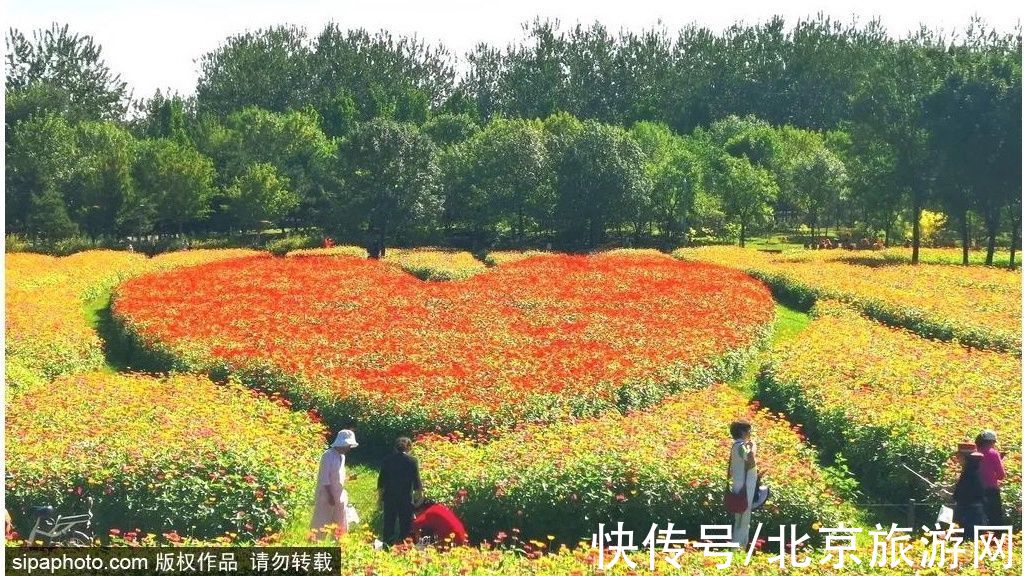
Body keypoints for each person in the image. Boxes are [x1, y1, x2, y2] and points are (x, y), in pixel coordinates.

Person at [311, 429, 358, 540]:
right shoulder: (327, 456)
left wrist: (348, 478)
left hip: (339, 494)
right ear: (343, 443)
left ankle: (338, 543)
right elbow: (324, 478)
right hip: (326, 495)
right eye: (348, 445)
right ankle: (315, 542)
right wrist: (330, 497)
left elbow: (336, 476)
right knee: (322, 521)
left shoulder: (342, 457)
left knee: (340, 521)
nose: (349, 448)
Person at [378, 437, 423, 545]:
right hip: (405, 497)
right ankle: (403, 545)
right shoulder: (412, 461)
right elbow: (417, 481)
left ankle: (387, 545)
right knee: (405, 524)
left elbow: (381, 481)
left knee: (389, 523)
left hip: (390, 496)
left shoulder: (387, 460)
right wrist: (420, 497)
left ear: (395, 448)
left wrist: (380, 498)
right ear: (409, 448)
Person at [728, 420, 757, 548]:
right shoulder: (741, 445)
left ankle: (739, 545)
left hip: (738, 483)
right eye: (748, 431)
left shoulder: (735, 446)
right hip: (745, 485)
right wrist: (753, 446)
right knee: (744, 517)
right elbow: (750, 458)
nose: (750, 434)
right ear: (742, 432)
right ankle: (739, 546)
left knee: (739, 517)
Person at [952, 449, 987, 541]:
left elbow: (965, 493)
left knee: (968, 539)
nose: (957, 459)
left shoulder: (970, 473)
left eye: (959, 456)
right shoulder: (974, 470)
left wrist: (951, 495)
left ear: (966, 458)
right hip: (974, 512)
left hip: (969, 513)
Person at [974, 430, 1005, 525]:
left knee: (978, 516)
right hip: (991, 490)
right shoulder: (994, 453)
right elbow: (1001, 475)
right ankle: (997, 538)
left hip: (976, 490)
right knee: (995, 517)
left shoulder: (974, 454)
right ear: (991, 442)